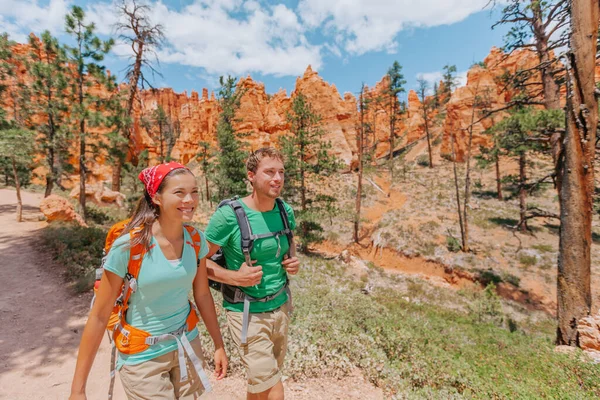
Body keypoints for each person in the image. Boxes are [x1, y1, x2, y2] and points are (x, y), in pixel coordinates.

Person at [69, 162, 227, 400]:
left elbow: (202, 294)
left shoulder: (195, 239)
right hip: (143, 358)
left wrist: (218, 344)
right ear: (157, 198)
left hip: (187, 345)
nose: (190, 199)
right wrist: (78, 390)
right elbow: (100, 316)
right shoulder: (129, 247)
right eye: (179, 193)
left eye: (194, 191)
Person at [205, 147, 300, 400]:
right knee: (273, 388)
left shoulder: (284, 211)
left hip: (280, 309)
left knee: (261, 385)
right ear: (251, 175)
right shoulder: (229, 216)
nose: (277, 178)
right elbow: (195, 262)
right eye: (269, 172)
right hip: (246, 314)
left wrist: (292, 261)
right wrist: (234, 277)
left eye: (281, 172)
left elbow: (289, 246)